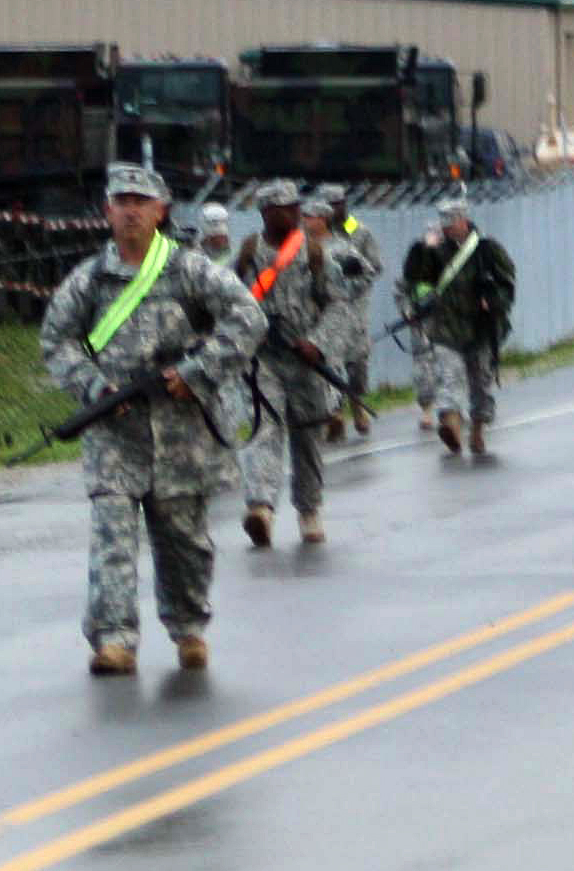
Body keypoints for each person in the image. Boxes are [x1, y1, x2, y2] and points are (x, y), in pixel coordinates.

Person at [38, 160, 265, 674]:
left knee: (184, 543)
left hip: (182, 433)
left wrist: (200, 371)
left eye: (141, 203)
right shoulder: (90, 279)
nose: (131, 212)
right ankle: (114, 639)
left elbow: (249, 319)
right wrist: (94, 386)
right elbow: (56, 340)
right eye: (122, 202)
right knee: (112, 536)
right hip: (115, 435)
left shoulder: (188, 269)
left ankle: (188, 626)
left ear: (161, 211)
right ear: (107, 211)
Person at [235, 179, 345, 549]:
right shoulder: (249, 253)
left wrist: (317, 343)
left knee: (307, 436)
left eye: (295, 207)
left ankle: (309, 509)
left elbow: (336, 305)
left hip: (306, 362)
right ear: (266, 212)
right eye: (284, 208)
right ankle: (260, 507)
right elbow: (231, 301)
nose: (294, 213)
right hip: (263, 359)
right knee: (264, 429)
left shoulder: (315, 254)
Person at [403, 194, 517, 459]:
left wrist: (493, 301)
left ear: (463, 219)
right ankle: (451, 424)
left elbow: (507, 283)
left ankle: (477, 427)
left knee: (480, 382)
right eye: (442, 221)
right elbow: (414, 278)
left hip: (480, 328)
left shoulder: (487, 250)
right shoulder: (436, 251)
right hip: (446, 328)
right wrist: (424, 249)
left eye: (451, 220)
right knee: (449, 377)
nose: (446, 226)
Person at [315, 187, 381, 438]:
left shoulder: (357, 230)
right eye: (328, 205)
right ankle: (334, 411)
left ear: (344, 204)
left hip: (356, 308)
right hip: (329, 309)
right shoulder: (316, 236)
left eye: (337, 204)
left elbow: (374, 266)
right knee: (331, 360)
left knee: (358, 362)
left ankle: (357, 404)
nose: (333, 210)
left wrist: (350, 278)